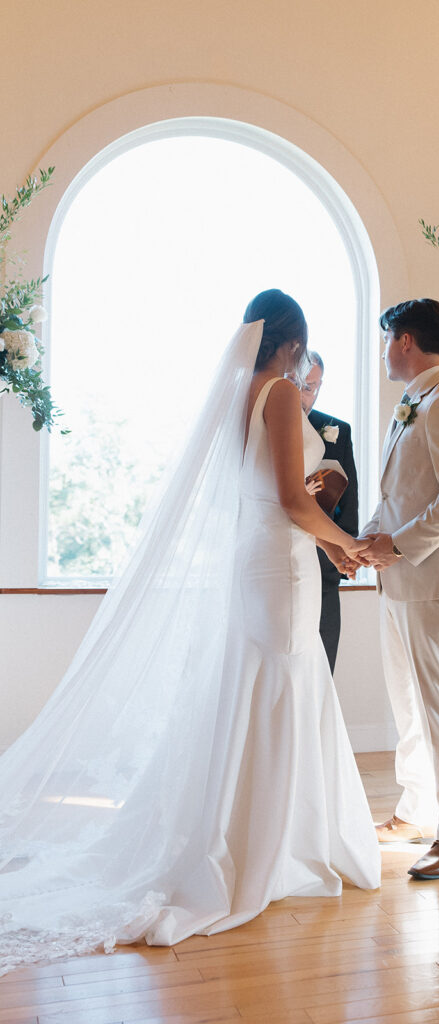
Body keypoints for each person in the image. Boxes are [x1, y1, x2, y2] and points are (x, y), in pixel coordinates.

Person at [0, 290, 380, 978]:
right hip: (280, 565)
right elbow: (294, 500)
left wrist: (329, 541)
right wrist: (345, 543)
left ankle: (255, 833)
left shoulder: (236, 393)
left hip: (256, 558)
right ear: (292, 344)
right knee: (283, 685)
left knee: (255, 685)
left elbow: (270, 493)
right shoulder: (284, 395)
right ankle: (278, 846)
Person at [360, 298, 439, 881]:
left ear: (405, 341)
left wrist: (400, 545)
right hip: (399, 578)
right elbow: (402, 492)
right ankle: (414, 810)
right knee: (407, 702)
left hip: (437, 581)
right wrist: (368, 538)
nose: (385, 350)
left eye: (387, 339)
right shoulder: (412, 403)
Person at [301, 351, 360, 672]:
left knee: (322, 676)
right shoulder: (260, 427)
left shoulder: (337, 430)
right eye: (299, 384)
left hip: (325, 574)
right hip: (281, 564)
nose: (304, 395)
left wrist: (343, 556)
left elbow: (349, 509)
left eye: (312, 387)